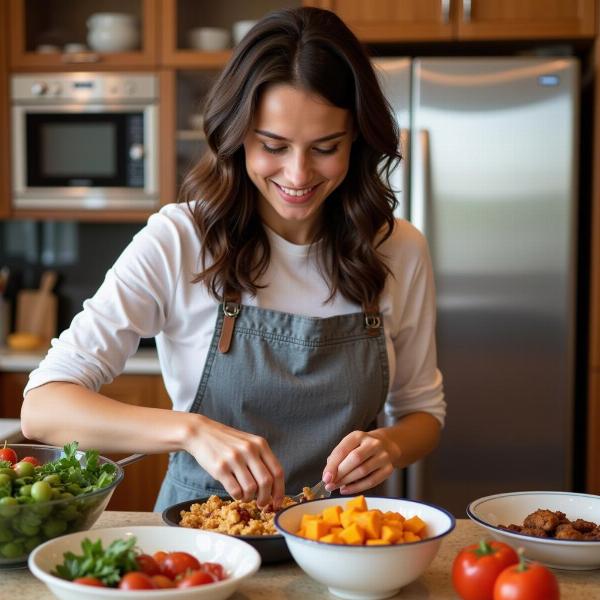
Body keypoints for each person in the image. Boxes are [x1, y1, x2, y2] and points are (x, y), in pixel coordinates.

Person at [21, 7, 445, 511]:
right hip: (201, 545)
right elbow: (43, 406)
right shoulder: (180, 239)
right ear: (238, 134)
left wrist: (390, 447)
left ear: (357, 138)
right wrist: (190, 431)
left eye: (325, 147)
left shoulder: (399, 249)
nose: (298, 173)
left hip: (339, 539)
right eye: (274, 145)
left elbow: (423, 412)